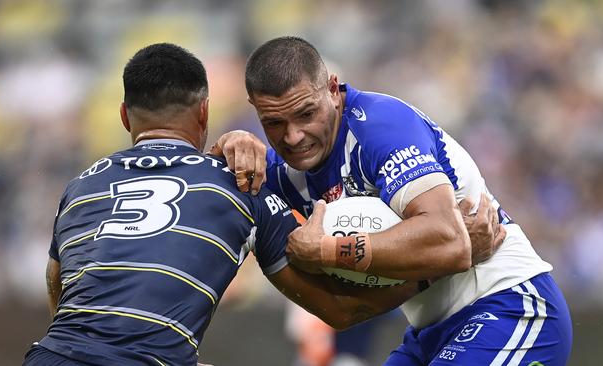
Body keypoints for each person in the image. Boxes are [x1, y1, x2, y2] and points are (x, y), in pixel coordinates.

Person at [23, 43, 422, 366]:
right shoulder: (242, 186)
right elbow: (340, 310)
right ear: (204, 112)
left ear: (126, 116)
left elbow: (59, 293)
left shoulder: (80, 187)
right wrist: (425, 276)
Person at [212, 36, 572, 365]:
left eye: (306, 114)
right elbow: (341, 313)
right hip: (430, 330)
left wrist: (326, 251)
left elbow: (451, 240)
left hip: (509, 305)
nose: (293, 136)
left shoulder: (381, 126)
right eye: (273, 123)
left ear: (333, 90)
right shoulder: (277, 174)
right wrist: (226, 147)